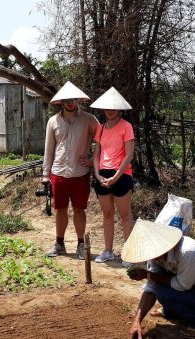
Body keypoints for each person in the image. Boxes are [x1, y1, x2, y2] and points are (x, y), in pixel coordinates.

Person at [122, 219, 195, 339]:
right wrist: (137, 320)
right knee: (160, 288)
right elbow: (151, 286)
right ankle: (173, 311)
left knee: (164, 293)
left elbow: (182, 286)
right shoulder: (156, 255)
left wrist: (148, 275)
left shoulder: (188, 251)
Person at [42, 81, 99, 259]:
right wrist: (45, 174)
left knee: (79, 209)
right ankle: (59, 244)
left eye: (73, 99)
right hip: (58, 171)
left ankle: (81, 244)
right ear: (61, 101)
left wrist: (93, 160)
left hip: (80, 172)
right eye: (66, 99)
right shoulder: (53, 121)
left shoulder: (89, 120)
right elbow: (49, 149)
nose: (70, 102)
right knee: (60, 209)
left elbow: (104, 140)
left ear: (78, 101)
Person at [90, 87, 135, 267]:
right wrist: (97, 173)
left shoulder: (126, 127)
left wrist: (116, 176)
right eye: (107, 107)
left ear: (119, 109)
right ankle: (108, 251)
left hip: (122, 174)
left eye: (114, 107)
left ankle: (129, 254)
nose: (110, 110)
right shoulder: (100, 129)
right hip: (103, 175)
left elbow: (129, 155)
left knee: (125, 215)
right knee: (107, 214)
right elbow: (97, 153)